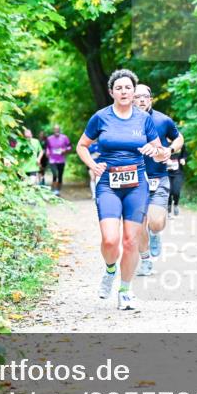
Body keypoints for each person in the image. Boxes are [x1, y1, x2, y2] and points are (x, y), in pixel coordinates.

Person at [76, 69, 169, 310]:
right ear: (111, 92)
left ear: (133, 90)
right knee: (110, 240)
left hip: (137, 183)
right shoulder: (101, 117)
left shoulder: (143, 119)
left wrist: (154, 150)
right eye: (119, 88)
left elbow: (160, 152)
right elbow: (82, 146)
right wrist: (92, 165)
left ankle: (125, 291)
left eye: (128, 87)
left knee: (130, 241)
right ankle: (109, 270)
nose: (124, 91)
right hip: (108, 183)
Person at [133, 84, 184, 276]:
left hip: (158, 177)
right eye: (137, 97)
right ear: (131, 99)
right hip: (134, 180)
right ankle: (145, 261)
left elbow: (179, 138)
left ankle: (155, 234)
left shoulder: (163, 120)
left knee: (155, 222)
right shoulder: (124, 121)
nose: (142, 100)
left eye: (145, 96)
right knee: (138, 223)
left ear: (151, 99)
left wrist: (169, 150)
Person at [46, 125, 72, 196]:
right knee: (55, 174)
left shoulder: (64, 138)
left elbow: (70, 147)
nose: (56, 130)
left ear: (59, 130)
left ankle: (57, 190)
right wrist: (47, 151)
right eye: (55, 129)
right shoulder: (49, 138)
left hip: (61, 160)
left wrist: (65, 150)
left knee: (60, 176)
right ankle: (53, 189)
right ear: (53, 130)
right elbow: (47, 147)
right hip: (52, 160)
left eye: (58, 129)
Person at [166, 142, 187, 216]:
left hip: (178, 172)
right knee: (169, 191)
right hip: (166, 172)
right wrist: (166, 160)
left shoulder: (180, 143)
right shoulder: (163, 143)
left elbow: (184, 154)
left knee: (176, 191)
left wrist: (183, 159)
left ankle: (176, 205)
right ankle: (168, 207)